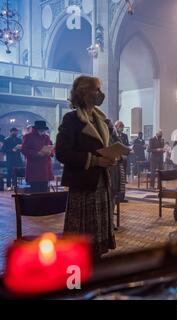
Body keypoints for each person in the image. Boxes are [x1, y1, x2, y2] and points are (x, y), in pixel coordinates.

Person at [55, 76, 116, 259]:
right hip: (83, 185)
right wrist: (95, 161)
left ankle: (95, 272)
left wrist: (112, 155)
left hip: (101, 183)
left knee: (97, 241)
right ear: (84, 92)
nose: (100, 94)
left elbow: (105, 146)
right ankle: (76, 279)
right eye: (96, 90)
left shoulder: (100, 120)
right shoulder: (72, 119)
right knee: (81, 241)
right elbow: (62, 153)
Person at [21, 121, 54, 193]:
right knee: (35, 190)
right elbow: (24, 150)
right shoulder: (28, 136)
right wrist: (37, 153)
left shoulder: (46, 137)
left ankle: (43, 204)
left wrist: (50, 152)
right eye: (41, 129)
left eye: (44, 129)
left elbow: (51, 147)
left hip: (45, 167)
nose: (43, 131)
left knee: (44, 190)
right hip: (34, 167)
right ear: (36, 129)